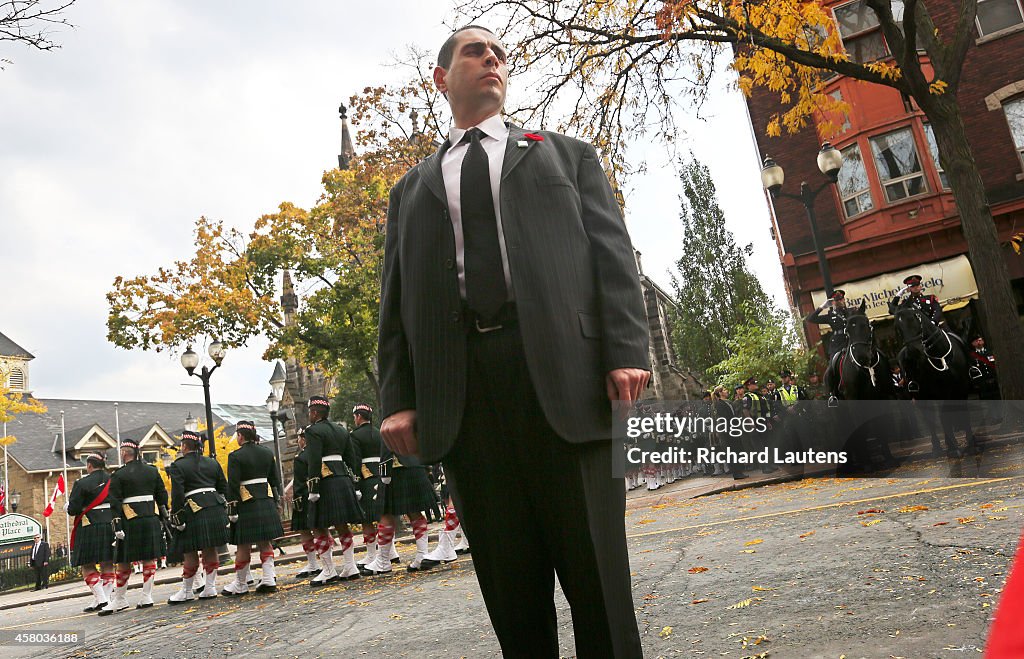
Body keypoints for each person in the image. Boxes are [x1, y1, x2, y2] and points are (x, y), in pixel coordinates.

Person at [377, 24, 650, 658]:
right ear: (442, 78)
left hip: (565, 379)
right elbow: (396, 302)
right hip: (463, 395)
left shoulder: (566, 156)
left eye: (499, 53)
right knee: (511, 591)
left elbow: (612, 255)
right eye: (475, 51)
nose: (492, 59)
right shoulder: (412, 188)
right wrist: (398, 396)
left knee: (599, 585)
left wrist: (627, 349)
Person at [99, 439, 167, 615]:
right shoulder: (152, 471)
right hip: (150, 518)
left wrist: (117, 525)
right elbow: (162, 495)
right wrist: (163, 517)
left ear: (124, 453)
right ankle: (147, 596)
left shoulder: (119, 475)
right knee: (149, 558)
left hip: (129, 521)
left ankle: (120, 599)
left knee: (123, 561)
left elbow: (114, 502)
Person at [359, 433, 440, 575]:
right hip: (416, 464)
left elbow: (387, 436)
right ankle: (422, 555)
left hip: (395, 468)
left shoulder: (390, 411)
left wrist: (384, 472)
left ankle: (383, 561)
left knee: (385, 513)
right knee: (414, 512)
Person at [303, 396, 363, 586]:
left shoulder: (312, 431)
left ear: (314, 412)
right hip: (343, 480)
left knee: (319, 525)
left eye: (309, 412)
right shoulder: (341, 430)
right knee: (342, 525)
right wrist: (355, 484)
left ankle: (328, 570)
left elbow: (313, 460)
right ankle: (350, 566)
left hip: (325, 482)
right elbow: (351, 459)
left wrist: (313, 487)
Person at [166, 430, 229, 604]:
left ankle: (186, 591)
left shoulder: (178, 465)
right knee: (210, 548)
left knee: (190, 551)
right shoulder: (212, 462)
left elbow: (178, 494)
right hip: (214, 507)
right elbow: (223, 487)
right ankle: (210, 587)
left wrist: (177, 517)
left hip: (193, 509)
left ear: (184, 446)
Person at [223, 421, 284, 596]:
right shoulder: (267, 452)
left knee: (243, 545)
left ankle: (241, 584)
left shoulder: (235, 456)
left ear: (240, 436)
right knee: (265, 541)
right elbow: (275, 479)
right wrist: (277, 501)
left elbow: (233, 485)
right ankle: (268, 578)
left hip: (246, 503)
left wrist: (232, 509)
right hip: (266, 500)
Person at [67, 453, 115, 611]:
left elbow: (73, 509)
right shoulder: (113, 479)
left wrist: (67, 506)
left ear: (89, 465)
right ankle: (104, 598)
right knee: (107, 562)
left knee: (87, 565)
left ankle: (102, 599)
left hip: (89, 525)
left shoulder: (81, 483)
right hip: (110, 524)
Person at [349, 404, 393, 570]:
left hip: (366, 479)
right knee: (383, 515)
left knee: (367, 520)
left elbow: (356, 461)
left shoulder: (355, 436)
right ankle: (391, 551)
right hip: (381, 476)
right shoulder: (378, 432)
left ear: (359, 417)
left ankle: (371, 554)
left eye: (355, 417)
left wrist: (356, 484)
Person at [289, 427, 321, 579]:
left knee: (305, 531)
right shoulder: (318, 453)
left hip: (305, 496)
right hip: (319, 494)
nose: (298, 441)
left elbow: (299, 483)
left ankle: (313, 563)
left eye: (299, 438)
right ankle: (324, 563)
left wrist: (297, 500)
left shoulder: (300, 457)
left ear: (304, 439)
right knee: (321, 529)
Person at [807, 290, 852, 359]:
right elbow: (811, 319)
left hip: (851, 339)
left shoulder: (850, 312)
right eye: (837, 300)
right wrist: (821, 307)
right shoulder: (830, 316)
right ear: (832, 302)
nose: (841, 301)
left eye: (842, 299)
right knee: (832, 365)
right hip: (838, 344)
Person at [968, 334, 1000, 400]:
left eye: (980, 340)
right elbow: (972, 371)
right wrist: (977, 384)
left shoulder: (991, 352)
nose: (979, 342)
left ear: (983, 341)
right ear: (973, 344)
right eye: (976, 341)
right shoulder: (972, 356)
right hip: (983, 385)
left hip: (995, 382)